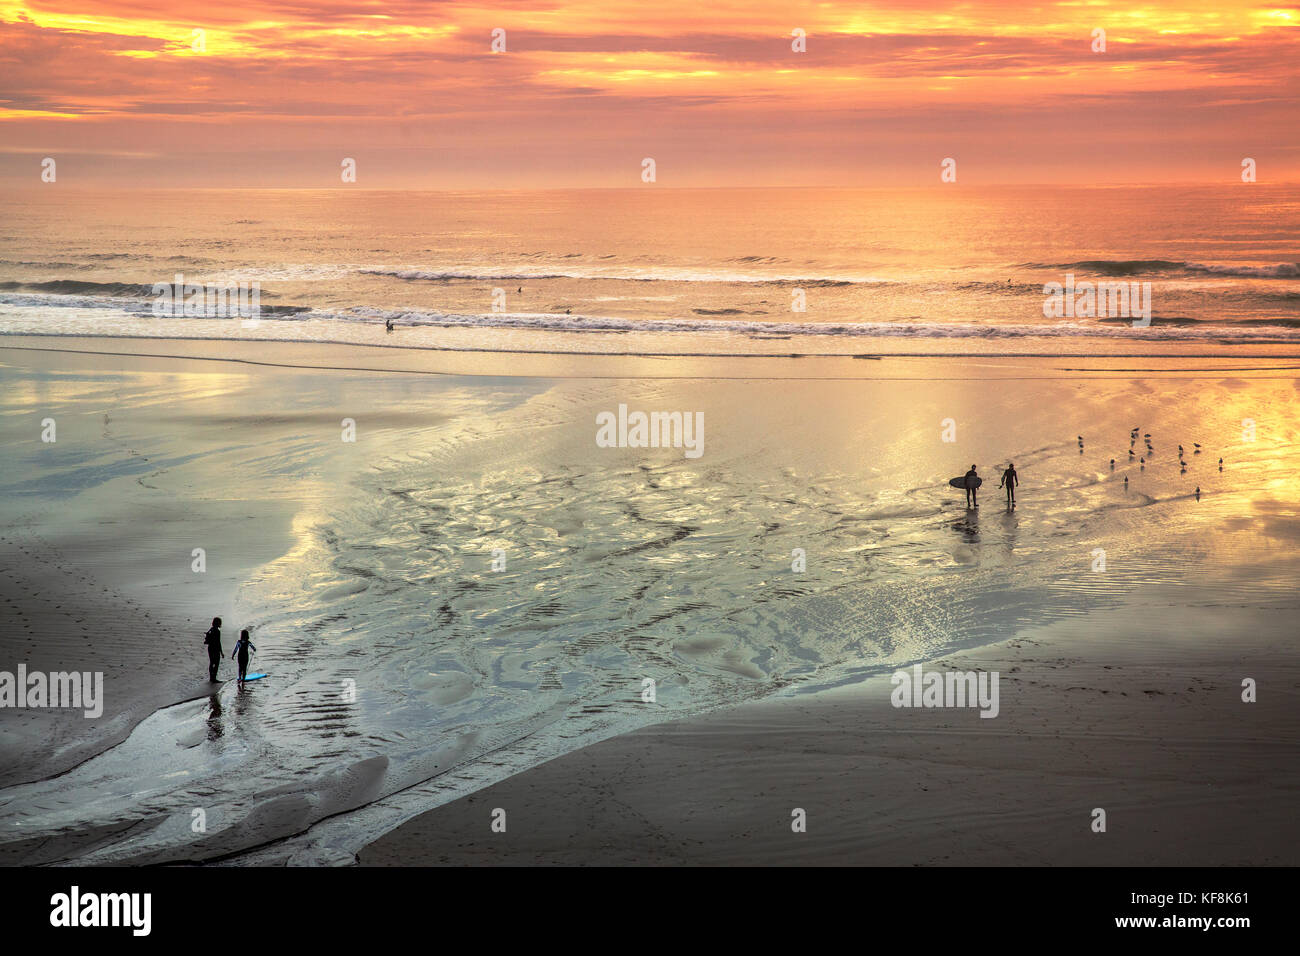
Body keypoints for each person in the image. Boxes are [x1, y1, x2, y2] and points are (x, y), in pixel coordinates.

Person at [203, 617, 223, 682]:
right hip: (215, 649)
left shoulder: (211, 629)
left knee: (212, 663)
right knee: (216, 663)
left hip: (210, 648)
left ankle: (211, 678)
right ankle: (214, 678)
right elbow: (218, 642)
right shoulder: (217, 631)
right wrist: (221, 652)